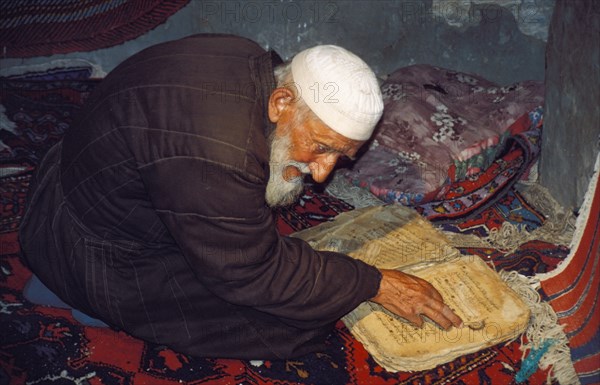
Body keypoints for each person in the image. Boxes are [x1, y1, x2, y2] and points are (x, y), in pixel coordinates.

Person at [19, 34, 461, 359]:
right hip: (101, 250)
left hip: (79, 190)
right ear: (282, 102)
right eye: (321, 147)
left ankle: (64, 278)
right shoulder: (220, 154)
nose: (322, 173)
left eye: (341, 157)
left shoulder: (247, 57)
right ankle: (77, 293)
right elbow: (252, 273)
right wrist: (371, 282)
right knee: (294, 326)